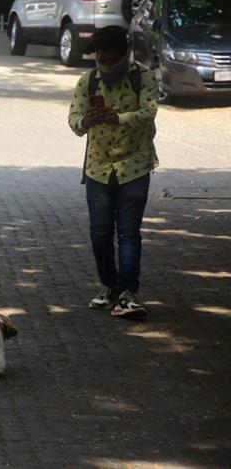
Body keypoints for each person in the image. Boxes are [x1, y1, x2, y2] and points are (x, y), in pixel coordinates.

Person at [68, 26, 159, 319]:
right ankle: (109, 286)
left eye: (112, 61)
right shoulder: (88, 81)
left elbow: (149, 113)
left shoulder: (143, 77)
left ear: (124, 55)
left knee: (129, 233)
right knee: (100, 233)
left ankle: (129, 294)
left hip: (135, 165)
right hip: (98, 167)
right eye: (101, 60)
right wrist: (86, 121)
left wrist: (118, 118)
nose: (106, 66)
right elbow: (74, 120)